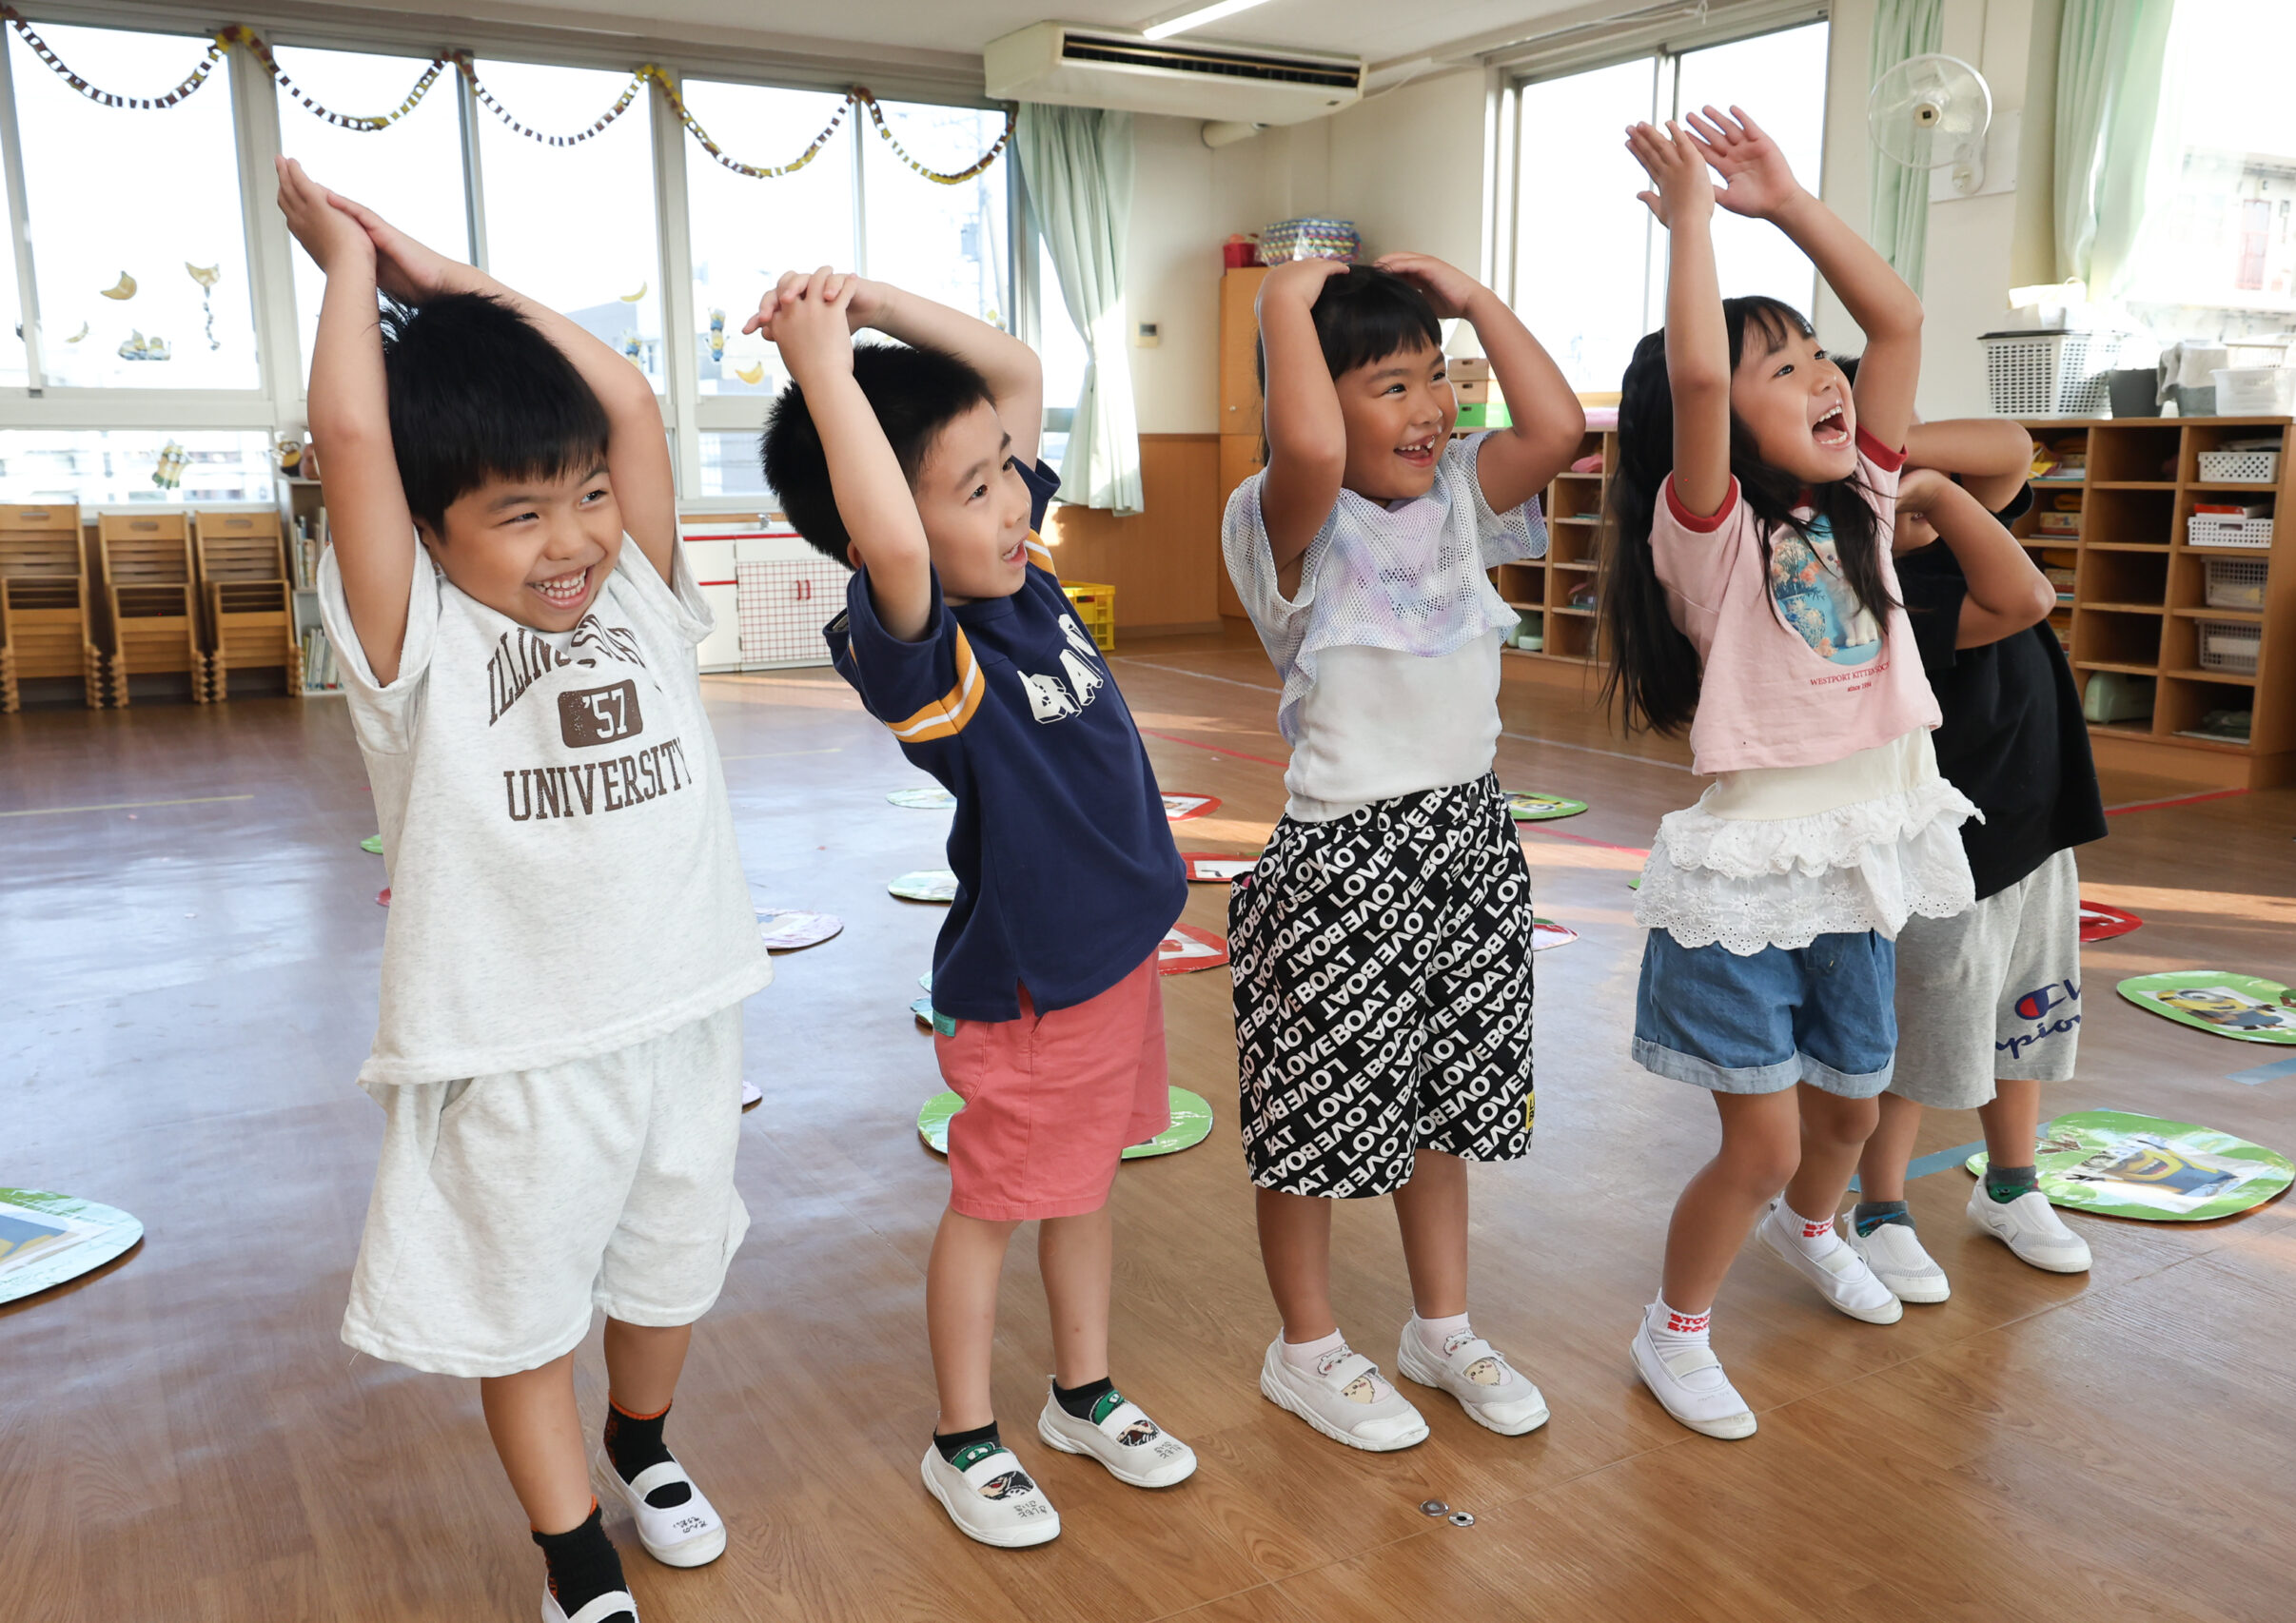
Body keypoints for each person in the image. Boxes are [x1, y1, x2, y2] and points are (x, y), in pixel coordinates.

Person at [281, 158, 770, 1623]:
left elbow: (628, 399)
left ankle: (643, 1441)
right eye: (519, 513)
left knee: (671, 1277)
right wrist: (350, 272)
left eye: (589, 498)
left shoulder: (641, 598)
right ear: (433, 530)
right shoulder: (415, 642)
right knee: (526, 1308)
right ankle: (576, 1559)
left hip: (683, 1016)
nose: (573, 541)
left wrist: (452, 281)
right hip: (513, 1051)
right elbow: (352, 433)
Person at [753, 267, 1195, 1549]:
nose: (1013, 500)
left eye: (1010, 472)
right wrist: (821, 367)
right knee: (996, 1206)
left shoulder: (1020, 576)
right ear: (885, 525)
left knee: (1084, 1185)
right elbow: (894, 543)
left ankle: (1081, 1391)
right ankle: (963, 1437)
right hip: (1030, 987)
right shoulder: (925, 642)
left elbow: (1015, 372)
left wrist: (872, 305)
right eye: (977, 486)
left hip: (1114, 960)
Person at [1600, 108, 1986, 1441]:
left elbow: (1900, 321)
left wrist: (1790, 203)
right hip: (1752, 882)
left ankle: (1814, 1228)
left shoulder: (1864, 500)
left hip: (1857, 860)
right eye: (1787, 367)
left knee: (1852, 1114)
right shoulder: (1707, 535)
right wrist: (1694, 225)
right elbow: (1699, 384)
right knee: (1761, 1143)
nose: (1826, 376)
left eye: (1819, 356)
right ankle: (1674, 1327)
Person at [1220, 253, 1583, 1451]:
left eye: (1437, 377)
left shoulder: (1464, 495)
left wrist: (1475, 302)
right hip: (1343, 858)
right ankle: (1306, 1346)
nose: (1430, 407)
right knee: (1313, 1119)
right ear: (1317, 396)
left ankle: (1441, 1326)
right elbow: (1310, 447)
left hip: (1469, 838)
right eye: (1391, 384)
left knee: (1448, 1103)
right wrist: (1281, 298)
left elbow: (1559, 427)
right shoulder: (1287, 516)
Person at [1840, 401, 2101, 1300]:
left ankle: (2012, 1185)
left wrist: (1901, 468)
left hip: (2037, 825)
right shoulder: (1883, 592)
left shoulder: (1954, 528)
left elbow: (2011, 447)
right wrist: (1920, 493)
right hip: (1948, 851)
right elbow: (2025, 598)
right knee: (1921, 1035)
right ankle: (1878, 1208)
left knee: (2025, 1020)